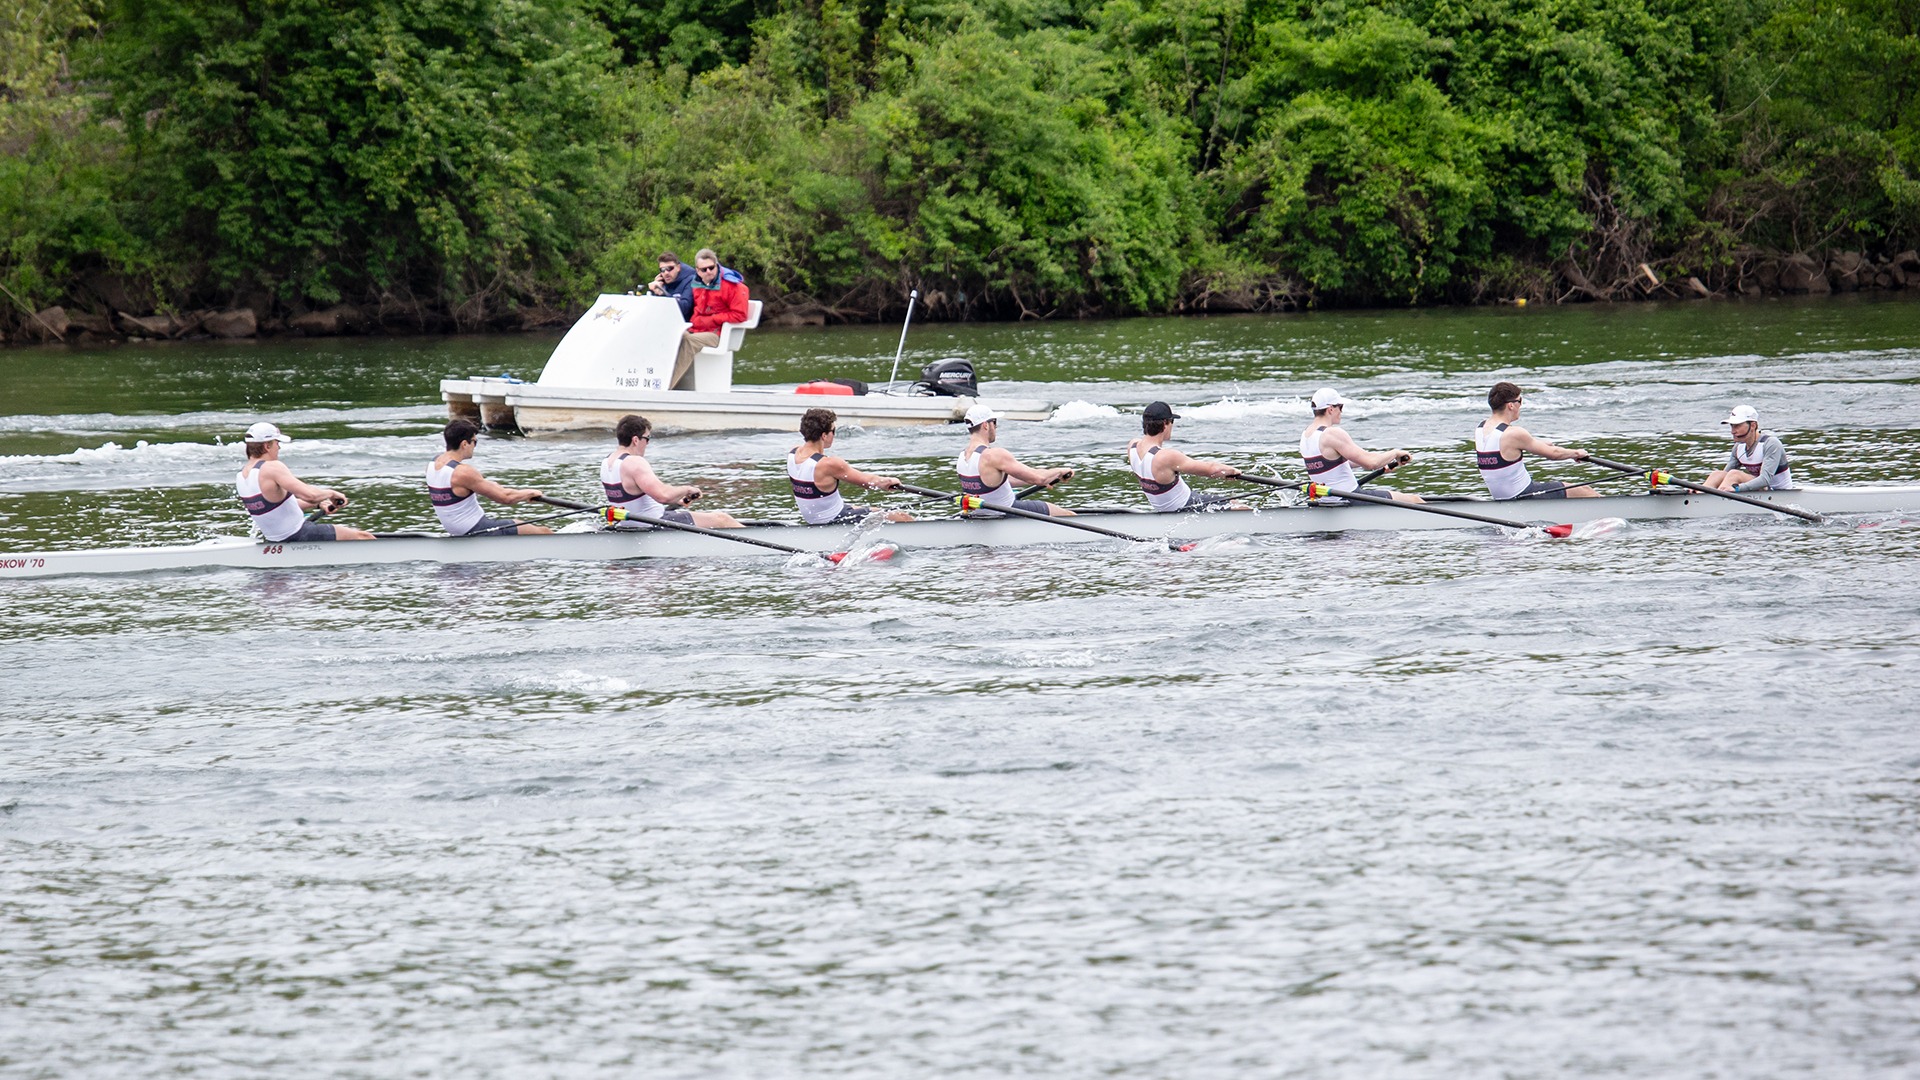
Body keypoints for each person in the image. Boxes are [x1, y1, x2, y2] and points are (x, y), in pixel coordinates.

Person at [235, 422, 374, 541]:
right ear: (267, 446)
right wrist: (331, 494)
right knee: (364, 537)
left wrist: (318, 505)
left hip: (276, 538)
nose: (279, 448)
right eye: (277, 443)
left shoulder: (242, 475)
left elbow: (275, 508)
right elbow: (310, 495)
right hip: (299, 534)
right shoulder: (272, 467)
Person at [601, 415, 743, 529]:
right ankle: (756, 543)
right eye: (647, 438)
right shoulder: (635, 462)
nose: (648, 443)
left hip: (627, 523)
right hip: (653, 523)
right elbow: (663, 496)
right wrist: (687, 489)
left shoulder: (607, 462)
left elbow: (636, 499)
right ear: (636, 440)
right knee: (722, 519)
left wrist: (679, 500)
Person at [1474, 382, 1599, 499]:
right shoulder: (1515, 433)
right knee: (1584, 491)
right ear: (1511, 405)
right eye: (1520, 401)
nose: (1521, 406)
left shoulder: (1481, 428)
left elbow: (1508, 446)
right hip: (1524, 494)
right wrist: (1576, 453)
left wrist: (1539, 443)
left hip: (1502, 497)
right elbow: (1553, 454)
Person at [1299, 388, 1424, 504]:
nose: (1341, 412)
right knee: (1415, 500)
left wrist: (1384, 461)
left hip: (1326, 500)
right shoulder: (1332, 433)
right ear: (1331, 409)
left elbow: (1336, 465)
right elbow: (1371, 463)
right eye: (1340, 407)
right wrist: (1395, 453)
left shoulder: (1306, 435)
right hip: (1350, 497)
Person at [788, 408, 913, 524]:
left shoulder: (793, 453)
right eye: (833, 431)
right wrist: (890, 481)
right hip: (834, 519)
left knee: (876, 510)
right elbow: (868, 482)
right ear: (824, 435)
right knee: (902, 517)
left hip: (822, 515)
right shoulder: (829, 464)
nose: (834, 435)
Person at [428, 419, 551, 536]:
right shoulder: (463, 472)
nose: (474, 446)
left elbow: (470, 486)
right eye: (474, 442)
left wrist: (492, 486)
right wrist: (531, 493)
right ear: (465, 444)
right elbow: (505, 498)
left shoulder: (434, 463)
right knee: (544, 532)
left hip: (457, 531)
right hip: (478, 529)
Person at [956, 404, 1077, 517]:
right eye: (994, 422)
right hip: (1007, 511)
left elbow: (997, 481)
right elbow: (1039, 478)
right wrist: (1060, 471)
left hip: (979, 514)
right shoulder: (994, 455)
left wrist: (1045, 478)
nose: (996, 426)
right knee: (1069, 515)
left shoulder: (963, 456)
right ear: (985, 425)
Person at [1127, 402, 1248, 512]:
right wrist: (1233, 471)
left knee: (1229, 501)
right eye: (1172, 422)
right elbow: (1212, 469)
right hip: (1187, 505)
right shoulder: (1165, 456)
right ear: (1165, 424)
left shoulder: (1132, 446)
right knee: (1241, 508)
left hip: (1167, 507)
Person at [673, 248, 750, 390]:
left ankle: (668, 386)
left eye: (711, 267)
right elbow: (697, 310)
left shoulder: (733, 286)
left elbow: (740, 315)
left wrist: (712, 319)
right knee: (674, 336)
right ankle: (674, 385)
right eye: (704, 269)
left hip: (717, 334)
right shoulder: (697, 285)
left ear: (717, 265)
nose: (708, 272)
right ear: (697, 270)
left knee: (689, 341)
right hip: (698, 330)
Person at [1704, 405, 1794, 491]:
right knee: (1717, 474)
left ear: (1753, 425)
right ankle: (1697, 495)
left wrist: (1737, 488)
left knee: (1734, 474)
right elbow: (1724, 476)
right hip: (1760, 491)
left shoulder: (1771, 444)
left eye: (1737, 426)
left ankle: (1719, 499)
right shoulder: (1738, 448)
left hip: (1778, 492)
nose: (1732, 431)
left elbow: (1765, 479)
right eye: (1732, 426)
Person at [644, 251, 696, 319]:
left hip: (685, 325)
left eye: (670, 268)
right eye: (662, 270)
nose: (666, 273)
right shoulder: (662, 284)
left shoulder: (690, 280)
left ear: (678, 268)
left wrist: (663, 294)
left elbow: (684, 308)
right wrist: (653, 292)